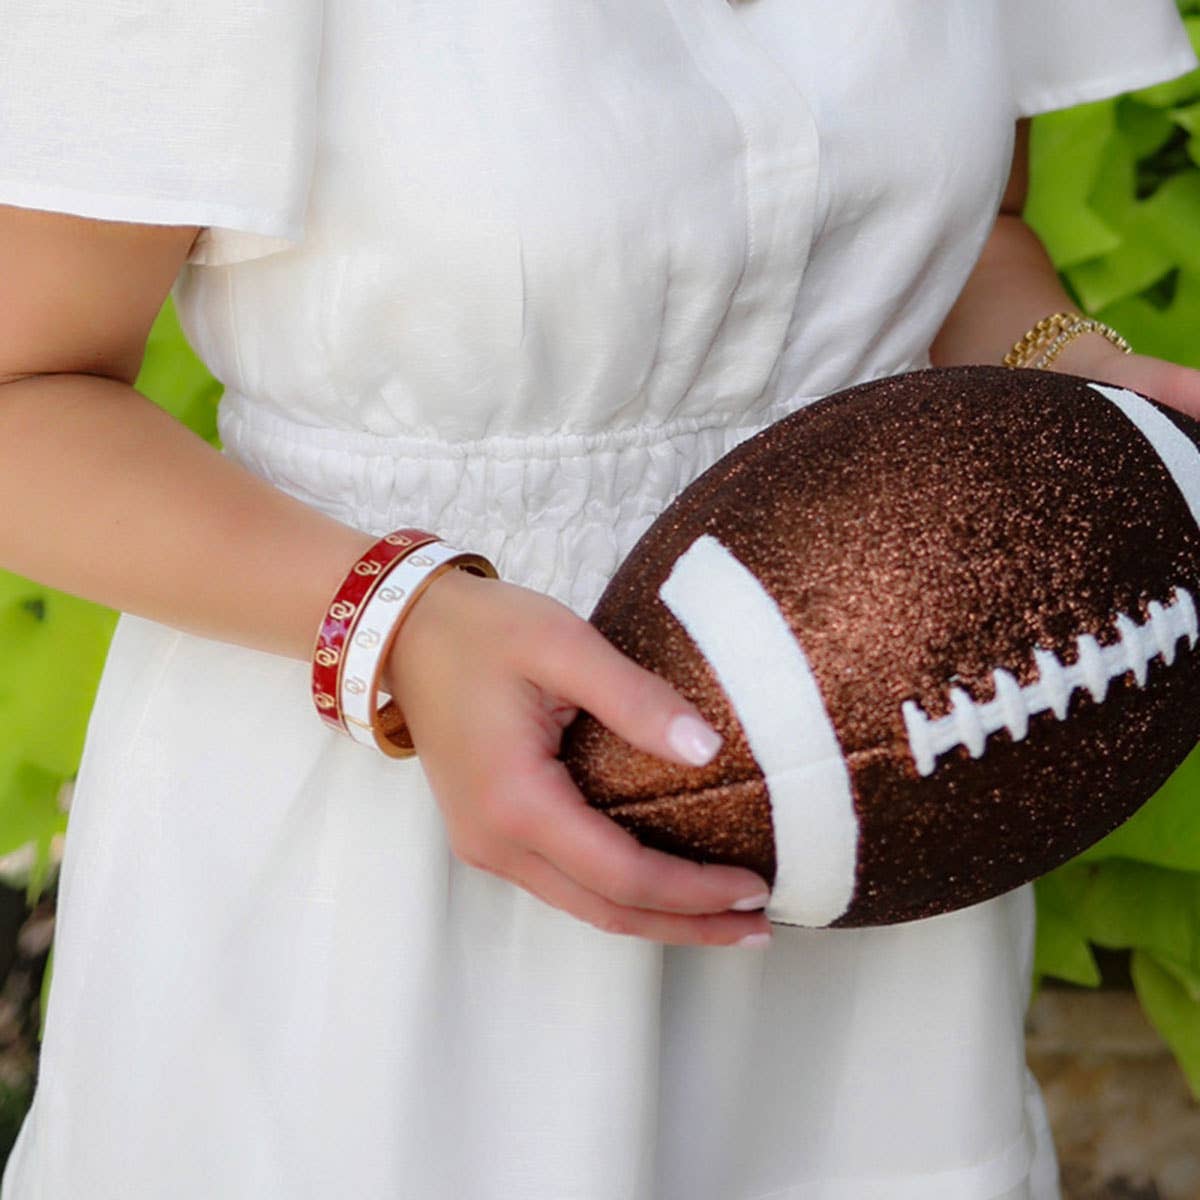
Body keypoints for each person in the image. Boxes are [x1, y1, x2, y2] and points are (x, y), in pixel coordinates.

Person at [1, 2, 1198, 1197]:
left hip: (868, 818)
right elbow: (23, 394)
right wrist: (405, 620)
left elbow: (962, 233)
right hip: (384, 852)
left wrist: (1066, 374)